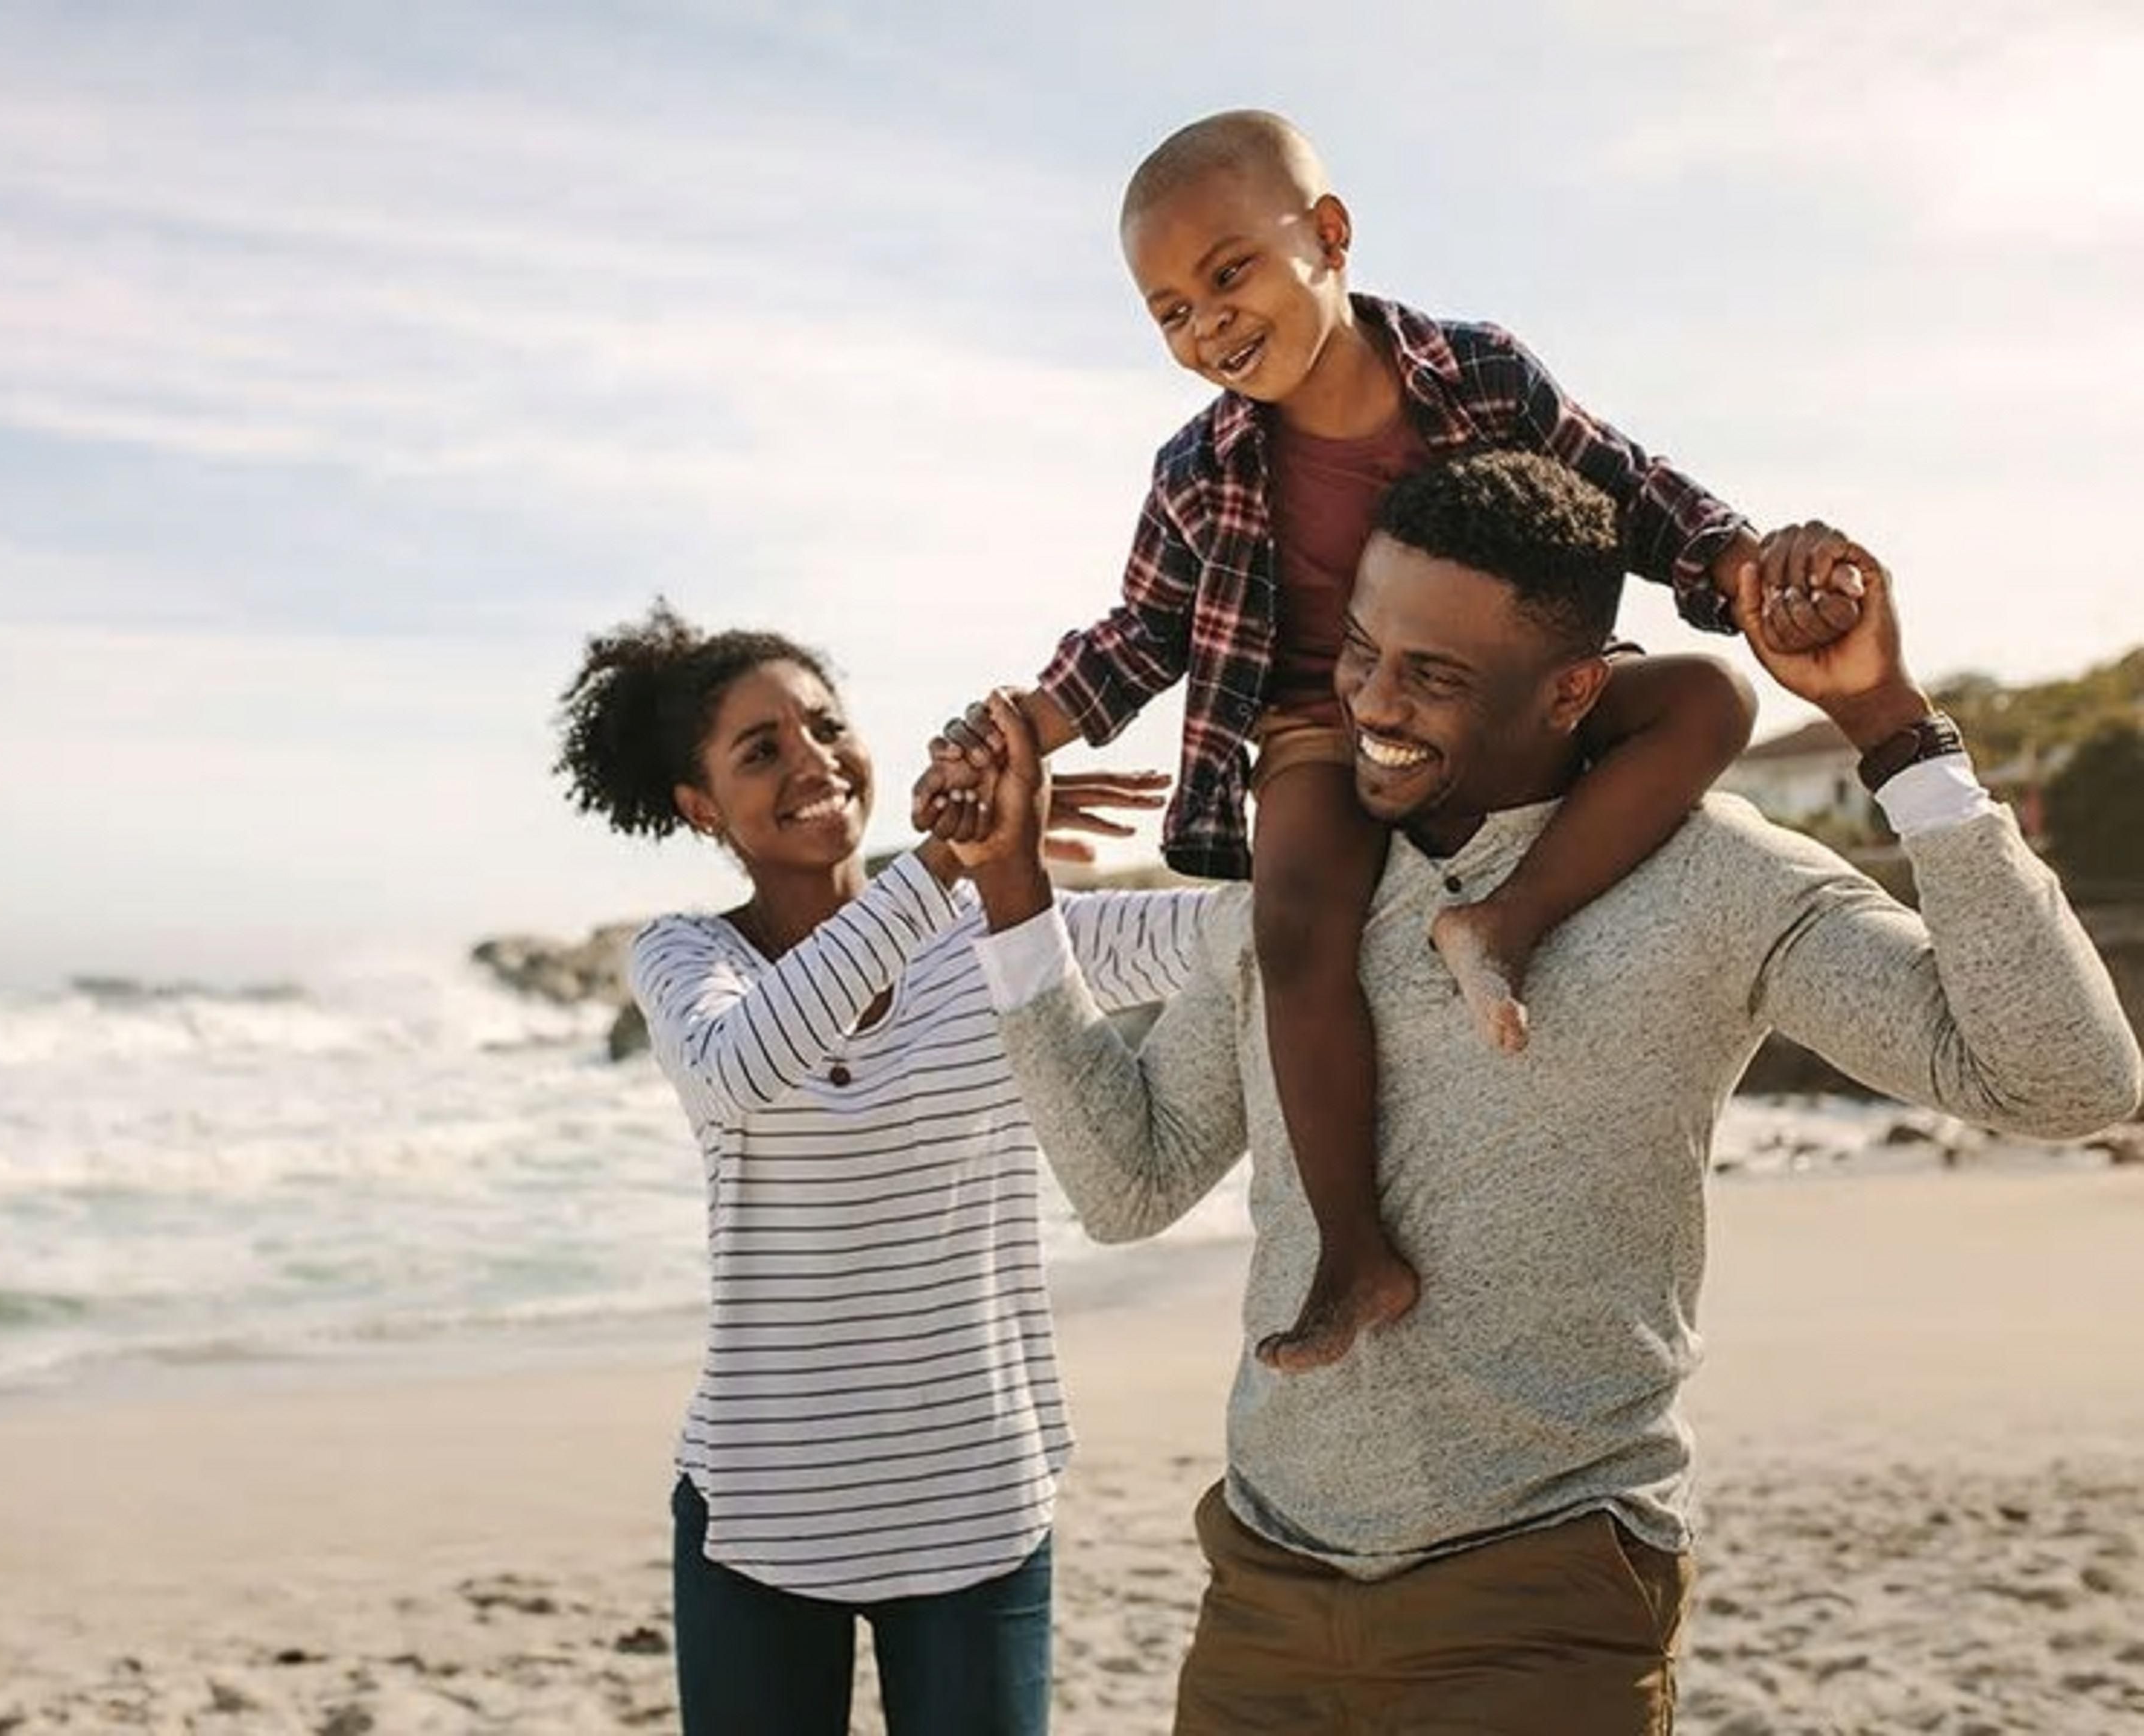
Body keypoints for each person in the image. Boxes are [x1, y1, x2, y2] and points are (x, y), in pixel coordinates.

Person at [942, 451, 2142, 1734]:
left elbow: (2065, 1080)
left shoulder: (1712, 883)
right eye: (1359, 651)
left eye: (1435, 676)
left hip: (1546, 1599)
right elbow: (1127, 1184)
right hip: (1266, 1589)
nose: (1372, 705)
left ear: (1574, 690)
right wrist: (1013, 892)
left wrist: (1889, 725)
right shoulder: (1293, 899)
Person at [931, 108, 1864, 1374]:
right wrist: (1021, 726)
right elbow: (1142, 633)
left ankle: (1506, 921)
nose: (1207, 328)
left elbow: (1630, 489)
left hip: (1495, 706)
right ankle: (1354, 1251)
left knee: (1711, 703)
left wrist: (1744, 565)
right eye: (1169, 314)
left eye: (1228, 276)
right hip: (1322, 722)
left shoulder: (1476, 373)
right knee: (1298, 915)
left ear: (1327, 235)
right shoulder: (1197, 469)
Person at [552, 603, 1208, 1736]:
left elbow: (1235, 937)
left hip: (980, 1506)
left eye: (824, 725)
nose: (812, 761)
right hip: (764, 1514)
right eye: (762, 752)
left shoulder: (1002, 930)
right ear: (701, 808)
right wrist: (946, 866)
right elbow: (742, 1066)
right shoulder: (684, 956)